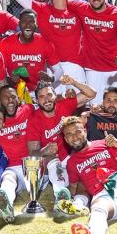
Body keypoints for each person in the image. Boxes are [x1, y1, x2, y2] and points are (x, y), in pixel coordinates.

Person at [9, 0, 87, 94]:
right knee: (54, 105)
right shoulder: (43, 9)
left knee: (78, 104)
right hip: (53, 68)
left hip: (75, 65)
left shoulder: (77, 9)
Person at [28, 77, 96, 212]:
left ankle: (77, 201)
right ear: (36, 101)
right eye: (41, 97)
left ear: (55, 95)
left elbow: (91, 94)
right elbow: (32, 155)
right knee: (52, 156)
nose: (46, 99)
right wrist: (44, 150)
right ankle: (60, 195)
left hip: (66, 159)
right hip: (47, 166)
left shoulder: (63, 105)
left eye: (49, 95)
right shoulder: (34, 120)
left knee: (83, 174)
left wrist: (74, 83)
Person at [0, 85, 35, 223]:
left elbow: (49, 106)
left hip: (34, 164)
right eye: (6, 97)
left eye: (13, 97)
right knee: (8, 178)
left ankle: (61, 196)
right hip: (13, 168)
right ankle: (6, 205)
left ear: (18, 99)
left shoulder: (28, 109)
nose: (10, 100)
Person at [0, 8, 63, 96]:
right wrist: (10, 79)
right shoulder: (6, 43)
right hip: (14, 91)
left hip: (38, 91)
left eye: (31, 21)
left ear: (36, 24)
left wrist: (52, 78)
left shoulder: (45, 42)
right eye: (24, 21)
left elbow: (59, 70)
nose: (28, 25)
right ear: (19, 24)